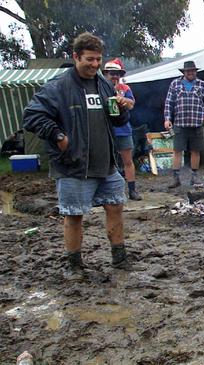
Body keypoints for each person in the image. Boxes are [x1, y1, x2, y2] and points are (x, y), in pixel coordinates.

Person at [23, 32, 134, 280]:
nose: (95, 65)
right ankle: (73, 264)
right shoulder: (58, 87)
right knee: (73, 215)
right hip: (73, 164)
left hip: (106, 164)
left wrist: (123, 109)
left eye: (98, 60)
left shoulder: (104, 84)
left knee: (115, 206)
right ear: (76, 57)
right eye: (89, 59)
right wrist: (58, 136)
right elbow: (31, 116)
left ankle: (120, 258)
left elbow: (116, 120)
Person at [164, 60, 204, 188]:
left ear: (195, 72)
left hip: (197, 124)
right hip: (180, 123)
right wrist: (167, 118)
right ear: (184, 72)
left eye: (193, 71)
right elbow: (168, 103)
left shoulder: (202, 85)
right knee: (177, 150)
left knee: (195, 151)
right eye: (188, 71)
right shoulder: (175, 84)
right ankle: (176, 178)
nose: (190, 73)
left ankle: (194, 177)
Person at [102, 58, 141, 200]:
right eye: (112, 73)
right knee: (107, 161)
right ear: (106, 74)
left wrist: (123, 100)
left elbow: (132, 104)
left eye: (118, 73)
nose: (115, 76)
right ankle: (109, 191)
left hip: (123, 129)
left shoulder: (125, 88)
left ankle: (132, 190)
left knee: (128, 161)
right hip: (106, 130)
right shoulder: (99, 87)